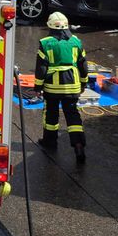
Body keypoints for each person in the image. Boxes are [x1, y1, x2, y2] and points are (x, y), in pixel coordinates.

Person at [35, 11, 88, 164]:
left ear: (50, 27)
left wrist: (38, 86)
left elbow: (41, 68)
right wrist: (83, 83)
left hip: (52, 87)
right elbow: (83, 65)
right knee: (72, 115)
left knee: (51, 114)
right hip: (72, 85)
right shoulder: (76, 42)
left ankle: (50, 142)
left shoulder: (45, 43)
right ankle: (79, 146)